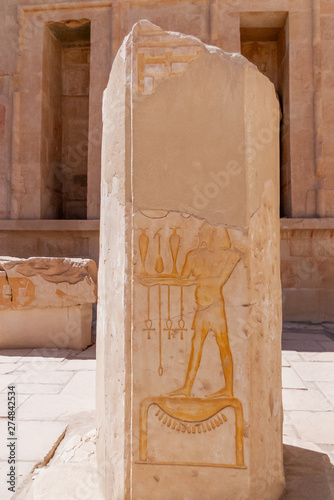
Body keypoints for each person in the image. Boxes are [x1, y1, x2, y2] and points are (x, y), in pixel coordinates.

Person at [168, 223, 240, 398]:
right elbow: (182, 279)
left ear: (212, 236)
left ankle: (228, 388)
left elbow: (218, 281)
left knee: (223, 345)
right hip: (202, 307)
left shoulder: (224, 256)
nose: (200, 235)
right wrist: (158, 280)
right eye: (199, 233)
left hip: (215, 306)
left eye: (204, 233)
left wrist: (197, 279)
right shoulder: (193, 256)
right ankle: (187, 387)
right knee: (196, 346)